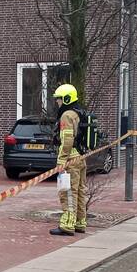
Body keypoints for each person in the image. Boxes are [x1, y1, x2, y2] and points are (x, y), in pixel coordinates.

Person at [49, 83, 87, 236]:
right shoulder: (79, 113)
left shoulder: (66, 115)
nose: (57, 102)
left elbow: (67, 139)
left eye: (58, 100)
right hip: (80, 157)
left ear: (66, 99)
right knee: (80, 191)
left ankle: (67, 225)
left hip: (70, 158)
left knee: (68, 192)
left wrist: (61, 161)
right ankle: (80, 222)